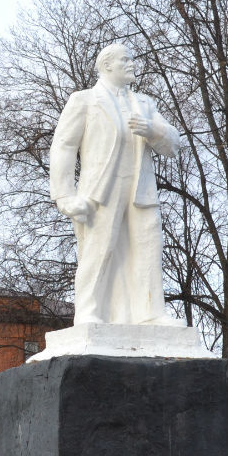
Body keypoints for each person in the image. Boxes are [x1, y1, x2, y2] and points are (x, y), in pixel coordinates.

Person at [49, 43, 183, 326]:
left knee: (148, 248)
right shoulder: (84, 101)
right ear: (107, 65)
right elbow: (63, 147)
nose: (133, 64)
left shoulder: (145, 104)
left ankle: (152, 314)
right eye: (126, 59)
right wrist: (64, 196)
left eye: (132, 59)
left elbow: (173, 144)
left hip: (140, 190)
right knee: (99, 250)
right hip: (101, 191)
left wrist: (153, 130)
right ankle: (89, 311)